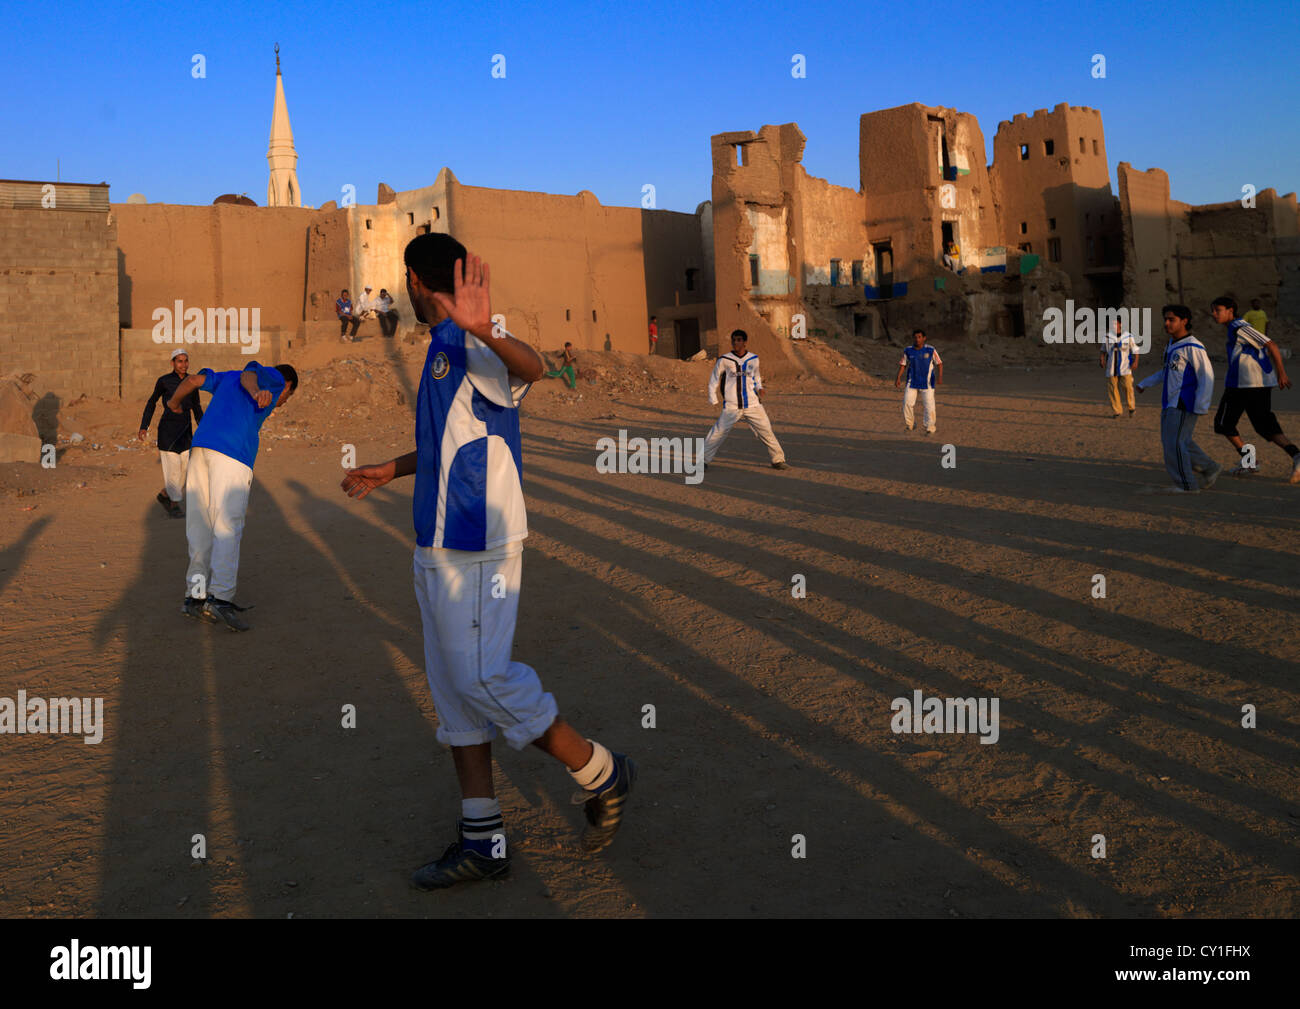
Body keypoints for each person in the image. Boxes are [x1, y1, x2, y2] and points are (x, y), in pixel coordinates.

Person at [340, 233, 636, 890]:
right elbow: (450, 440)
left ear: (417, 281)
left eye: (407, 283)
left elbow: (533, 367)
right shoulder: (443, 349)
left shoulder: (475, 338)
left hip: (478, 543)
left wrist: (486, 330)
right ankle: (483, 839)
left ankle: (601, 771)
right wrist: (393, 468)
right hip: (437, 542)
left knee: (483, 677)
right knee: (454, 693)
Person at [166, 360, 298, 629]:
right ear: (288, 387)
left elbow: (192, 381)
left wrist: (174, 403)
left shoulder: (226, 377)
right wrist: (254, 392)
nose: (283, 400)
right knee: (228, 526)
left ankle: (195, 596)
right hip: (232, 454)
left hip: (201, 449)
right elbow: (251, 371)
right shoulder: (273, 379)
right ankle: (221, 599)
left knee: (199, 526)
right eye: (288, 395)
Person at [1210, 295, 1299, 482]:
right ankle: (1296, 456)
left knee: (1223, 423)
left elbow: (1271, 344)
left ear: (1230, 311)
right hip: (1254, 384)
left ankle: (1250, 461)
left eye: (1217, 310)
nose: (1214, 314)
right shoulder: (1234, 329)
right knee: (1264, 426)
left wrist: (1281, 373)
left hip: (1244, 384)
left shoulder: (1240, 327)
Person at [1135, 305, 1220, 493]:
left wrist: (1202, 404)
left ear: (1185, 321)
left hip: (1184, 403)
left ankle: (1186, 485)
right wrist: (1145, 383)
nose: (1167, 323)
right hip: (1169, 401)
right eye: (1165, 319)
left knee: (1175, 443)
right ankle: (1210, 467)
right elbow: (1167, 371)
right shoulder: (1171, 345)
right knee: (1177, 440)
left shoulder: (1193, 346)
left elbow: (1206, 376)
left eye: (1171, 319)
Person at [702, 329, 788, 470]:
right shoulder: (725, 360)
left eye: (739, 340)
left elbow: (756, 376)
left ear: (745, 342)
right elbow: (714, 378)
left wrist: (760, 387)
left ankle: (777, 460)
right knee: (717, 433)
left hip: (753, 404)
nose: (736, 343)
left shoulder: (753, 359)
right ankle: (703, 460)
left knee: (766, 430)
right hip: (732, 406)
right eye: (734, 340)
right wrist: (713, 397)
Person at [138, 349, 204, 518]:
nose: (183, 364)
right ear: (172, 363)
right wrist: (144, 426)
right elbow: (151, 402)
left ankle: (164, 494)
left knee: (185, 468)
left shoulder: (192, 381)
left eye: (186, 361)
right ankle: (174, 505)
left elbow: (196, 407)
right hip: (168, 430)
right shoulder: (164, 381)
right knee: (173, 470)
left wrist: (203, 427)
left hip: (186, 430)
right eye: (179, 361)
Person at [895, 328, 942, 434]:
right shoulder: (908, 350)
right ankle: (910, 425)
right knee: (907, 403)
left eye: (919, 337)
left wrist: (940, 377)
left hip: (927, 383)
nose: (917, 339)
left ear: (924, 338)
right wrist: (898, 378)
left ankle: (930, 427)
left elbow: (939, 363)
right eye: (915, 337)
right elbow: (903, 364)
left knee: (929, 405)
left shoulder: (930, 350)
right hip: (912, 382)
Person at [1100, 317, 1140, 418]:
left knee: (1128, 387)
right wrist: (1102, 359)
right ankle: (1117, 411)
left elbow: (1135, 349)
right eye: (1111, 324)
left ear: (1120, 324)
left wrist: (1135, 361)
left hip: (1125, 367)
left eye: (1115, 323)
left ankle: (1131, 407)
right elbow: (1103, 349)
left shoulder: (1128, 336)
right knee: (1113, 389)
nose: (1113, 326)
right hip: (1111, 367)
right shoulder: (1107, 337)